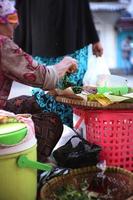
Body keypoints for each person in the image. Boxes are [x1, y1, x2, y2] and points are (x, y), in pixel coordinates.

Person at [0, 0, 77, 163]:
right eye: (12, 18)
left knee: (30, 102)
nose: (17, 24)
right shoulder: (2, 44)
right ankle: (28, 167)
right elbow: (42, 76)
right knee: (53, 121)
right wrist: (64, 65)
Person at [14, 0, 103, 128]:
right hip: (63, 39)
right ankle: (63, 138)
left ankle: (58, 138)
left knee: (68, 96)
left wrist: (18, 42)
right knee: (51, 96)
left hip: (51, 39)